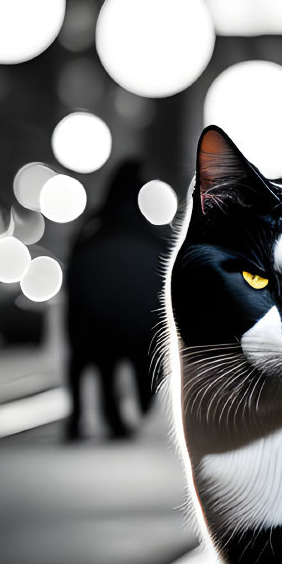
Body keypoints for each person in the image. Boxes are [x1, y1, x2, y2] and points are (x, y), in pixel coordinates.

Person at [64, 159, 169, 439]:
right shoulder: (148, 232)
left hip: (95, 320)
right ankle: (130, 414)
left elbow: (74, 271)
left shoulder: (93, 227)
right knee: (148, 357)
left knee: (92, 360)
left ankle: (80, 418)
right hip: (138, 321)